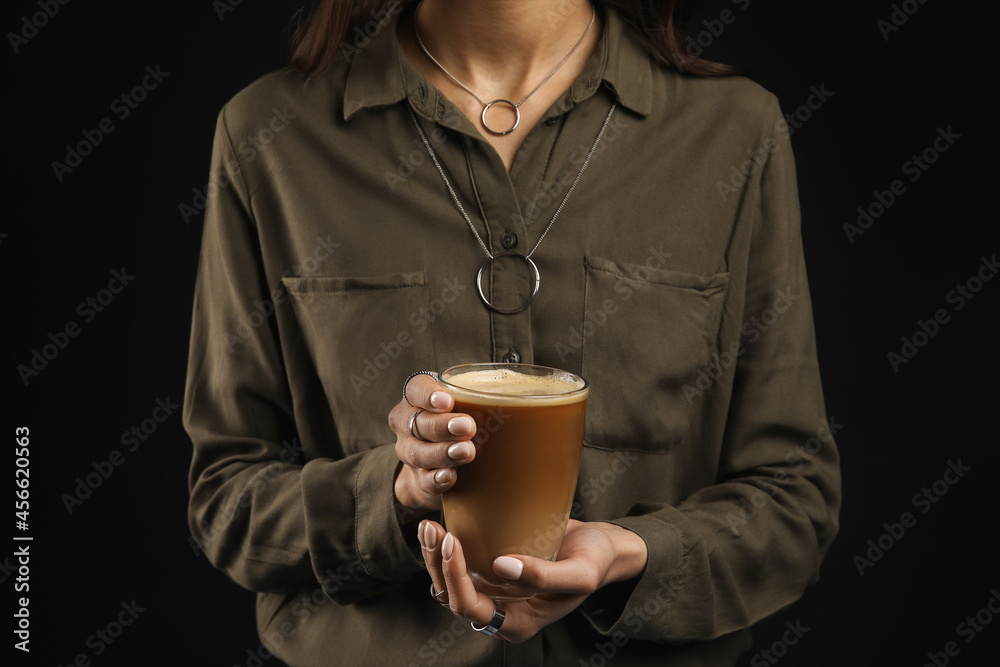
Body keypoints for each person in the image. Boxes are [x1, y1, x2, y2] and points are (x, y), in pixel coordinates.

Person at [184, 0, 841, 664]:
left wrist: (629, 555)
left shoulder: (734, 131)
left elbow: (794, 499)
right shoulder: (269, 136)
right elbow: (225, 498)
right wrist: (396, 491)